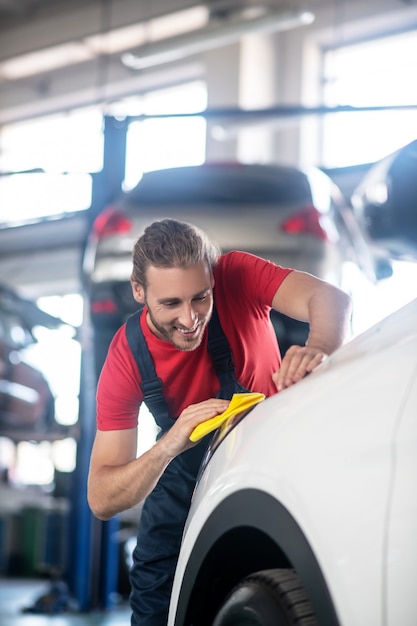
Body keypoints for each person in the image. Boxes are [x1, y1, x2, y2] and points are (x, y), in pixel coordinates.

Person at [87, 218, 352, 625]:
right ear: (139, 291)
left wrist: (317, 347)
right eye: (171, 304)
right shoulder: (127, 357)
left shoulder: (237, 274)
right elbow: (103, 499)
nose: (191, 318)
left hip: (275, 444)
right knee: (155, 589)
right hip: (185, 464)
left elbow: (330, 298)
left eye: (201, 298)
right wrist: (170, 444)